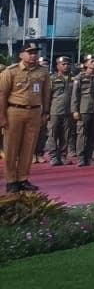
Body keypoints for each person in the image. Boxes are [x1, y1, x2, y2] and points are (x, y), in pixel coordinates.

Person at [1, 43, 51, 193]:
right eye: (30, 53)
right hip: (14, 111)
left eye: (35, 52)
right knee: (11, 147)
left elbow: (46, 92)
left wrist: (46, 112)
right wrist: (2, 116)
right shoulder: (11, 71)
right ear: (21, 55)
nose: (33, 55)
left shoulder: (42, 72)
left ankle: (23, 178)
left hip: (34, 112)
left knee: (29, 147)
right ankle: (11, 180)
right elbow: (2, 95)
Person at [47, 56, 74, 167]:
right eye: (63, 64)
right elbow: (47, 96)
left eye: (67, 64)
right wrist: (46, 111)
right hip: (55, 110)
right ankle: (53, 156)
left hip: (69, 111)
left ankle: (63, 156)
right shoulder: (52, 79)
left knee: (66, 135)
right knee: (53, 134)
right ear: (57, 66)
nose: (66, 66)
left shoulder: (74, 78)